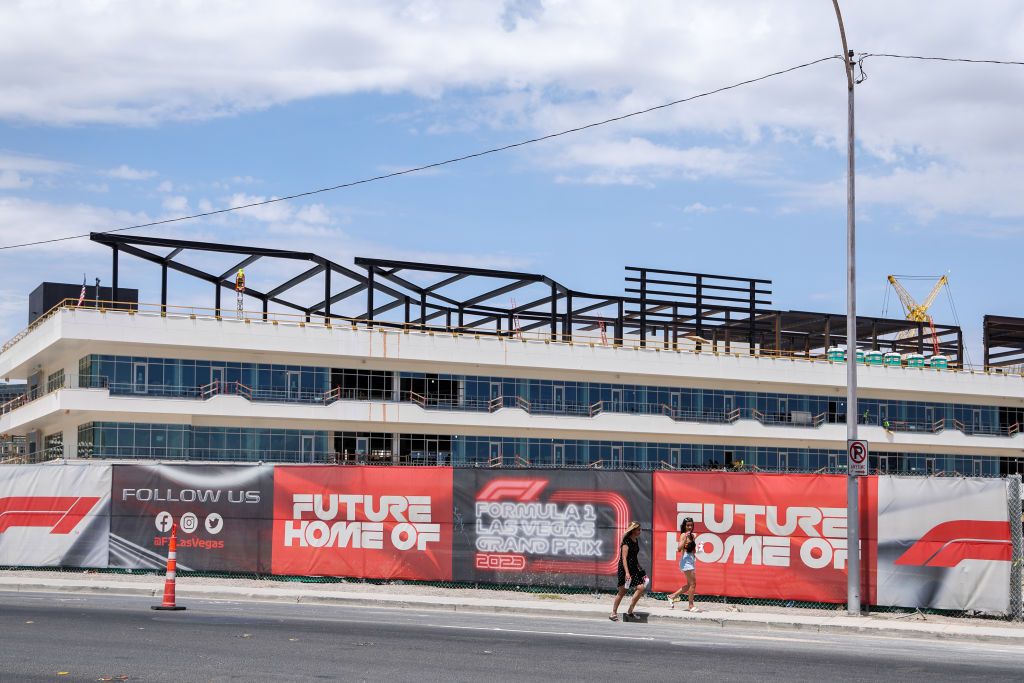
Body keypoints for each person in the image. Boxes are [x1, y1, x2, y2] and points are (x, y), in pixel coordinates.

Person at [609, 521, 647, 622]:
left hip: (634, 568)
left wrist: (639, 566)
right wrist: (626, 572)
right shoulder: (626, 541)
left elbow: (634, 556)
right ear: (633, 530)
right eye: (638, 529)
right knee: (622, 591)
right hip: (625, 568)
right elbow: (624, 558)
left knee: (641, 587)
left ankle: (630, 611)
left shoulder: (636, 540)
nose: (640, 531)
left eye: (640, 529)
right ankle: (613, 613)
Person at [667, 517, 700, 612]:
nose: (690, 527)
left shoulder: (692, 536)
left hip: (691, 560)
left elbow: (692, 550)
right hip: (686, 562)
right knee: (693, 584)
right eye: (688, 525)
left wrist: (698, 550)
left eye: (691, 525)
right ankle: (691, 605)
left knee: (689, 584)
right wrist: (685, 538)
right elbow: (679, 548)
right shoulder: (683, 535)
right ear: (684, 526)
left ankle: (672, 596)